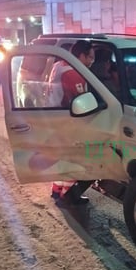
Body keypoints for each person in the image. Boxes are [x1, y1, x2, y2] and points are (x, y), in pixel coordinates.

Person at [34, 40, 96, 207]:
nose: (91, 61)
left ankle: (56, 190)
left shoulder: (59, 65)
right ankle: (66, 197)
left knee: (61, 158)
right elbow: (83, 101)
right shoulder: (74, 73)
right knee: (73, 159)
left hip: (54, 117)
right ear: (81, 55)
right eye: (90, 57)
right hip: (69, 120)